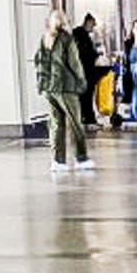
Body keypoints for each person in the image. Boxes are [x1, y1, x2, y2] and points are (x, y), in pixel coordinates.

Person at [34, 9, 92, 176]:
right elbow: (74, 63)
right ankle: (81, 158)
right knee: (76, 123)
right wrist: (81, 81)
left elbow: (39, 61)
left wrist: (42, 84)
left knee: (56, 124)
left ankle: (58, 160)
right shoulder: (67, 39)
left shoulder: (44, 39)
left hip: (48, 88)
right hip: (65, 87)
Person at [73, 15, 102, 130]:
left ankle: (87, 120)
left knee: (85, 97)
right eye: (93, 24)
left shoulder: (80, 35)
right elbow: (85, 54)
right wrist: (95, 54)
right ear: (88, 22)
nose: (93, 27)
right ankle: (88, 121)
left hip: (83, 71)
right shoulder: (81, 36)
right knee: (86, 97)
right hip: (84, 72)